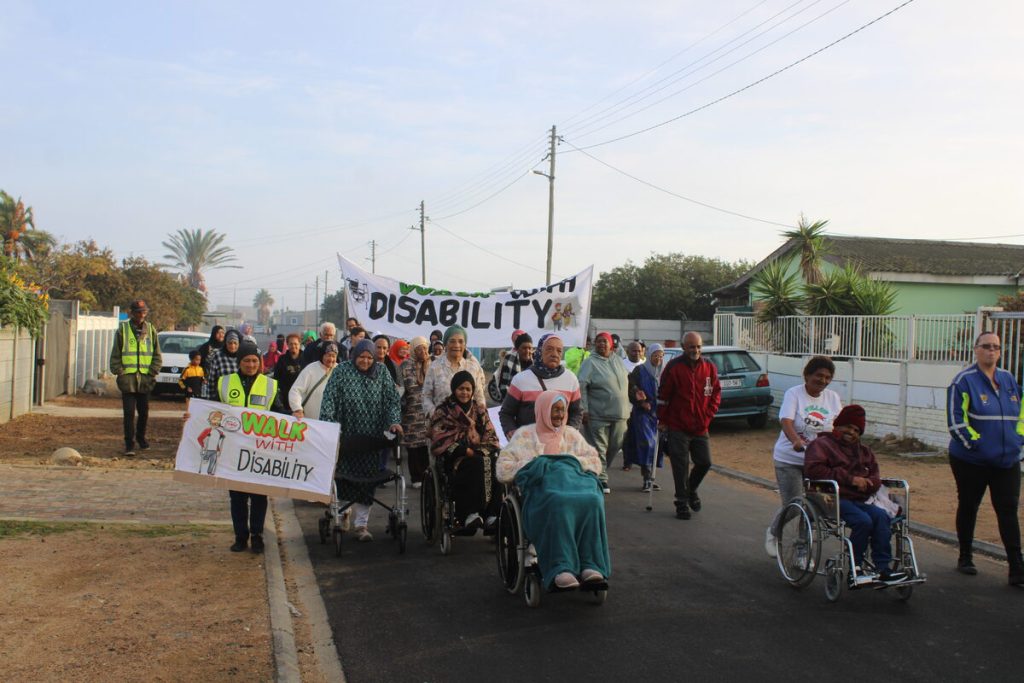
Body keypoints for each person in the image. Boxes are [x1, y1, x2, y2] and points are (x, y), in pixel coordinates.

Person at [497, 391, 610, 590]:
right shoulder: (524, 435)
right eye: (554, 410)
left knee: (593, 499)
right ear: (542, 410)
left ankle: (590, 564)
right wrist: (536, 464)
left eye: (562, 410)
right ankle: (561, 567)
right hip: (545, 492)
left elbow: (594, 461)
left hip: (574, 486)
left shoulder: (572, 435)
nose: (559, 415)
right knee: (558, 501)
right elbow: (503, 468)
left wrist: (570, 463)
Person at [947, 332, 1024, 584]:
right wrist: (976, 446)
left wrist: (1018, 441)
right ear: (976, 349)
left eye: (996, 347)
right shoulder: (963, 381)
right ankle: (965, 556)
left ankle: (1016, 567)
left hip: (1007, 461)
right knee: (969, 505)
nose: (992, 351)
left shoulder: (1009, 379)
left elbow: (1020, 416)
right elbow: (957, 422)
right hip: (972, 461)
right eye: (986, 346)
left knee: (1008, 510)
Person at [804, 405, 907, 583]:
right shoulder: (821, 444)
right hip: (832, 498)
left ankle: (883, 568)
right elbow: (814, 470)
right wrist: (851, 479)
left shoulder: (864, 451)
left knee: (882, 517)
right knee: (863, 521)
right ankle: (856, 568)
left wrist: (868, 483)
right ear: (837, 425)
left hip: (860, 499)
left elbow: (876, 476)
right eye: (848, 426)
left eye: (856, 430)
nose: (851, 432)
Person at [319, 339, 403, 542]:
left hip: (371, 440)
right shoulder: (341, 371)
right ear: (354, 355)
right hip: (345, 437)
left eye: (369, 357)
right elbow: (329, 398)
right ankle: (341, 515)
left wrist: (393, 422)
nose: (365, 361)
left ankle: (361, 525)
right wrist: (328, 425)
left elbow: (392, 400)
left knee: (367, 484)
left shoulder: (382, 372)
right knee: (343, 478)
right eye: (361, 357)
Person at [213, 341, 287, 554]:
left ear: (260, 362)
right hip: (232, 451)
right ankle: (240, 536)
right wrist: (192, 417)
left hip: (259, 452)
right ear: (239, 362)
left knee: (258, 496)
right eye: (246, 360)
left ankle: (257, 536)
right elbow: (210, 409)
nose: (251, 364)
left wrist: (295, 419)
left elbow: (279, 411)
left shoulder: (270, 385)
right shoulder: (224, 383)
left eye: (255, 361)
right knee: (237, 497)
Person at [765, 356, 842, 556]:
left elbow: (839, 428)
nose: (823, 381)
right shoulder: (795, 394)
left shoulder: (832, 398)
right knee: (795, 504)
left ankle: (802, 551)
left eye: (828, 377)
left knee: (812, 508)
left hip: (817, 462)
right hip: (790, 459)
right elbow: (786, 420)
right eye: (819, 375)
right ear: (807, 375)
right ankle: (773, 533)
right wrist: (795, 441)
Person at [657, 331, 720, 520]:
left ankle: (691, 489)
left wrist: (708, 416)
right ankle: (681, 502)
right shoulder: (674, 367)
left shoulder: (709, 366)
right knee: (680, 465)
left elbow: (716, 393)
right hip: (678, 425)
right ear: (684, 347)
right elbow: (663, 396)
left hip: (701, 426)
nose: (696, 350)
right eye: (692, 346)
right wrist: (663, 420)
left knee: (705, 462)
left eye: (699, 346)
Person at [430, 371, 502, 532]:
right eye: (461, 389)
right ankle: (471, 513)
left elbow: (491, 436)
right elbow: (438, 438)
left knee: (498, 465)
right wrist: (464, 450)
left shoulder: (479, 410)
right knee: (474, 464)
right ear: (454, 389)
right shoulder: (443, 411)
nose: (465, 393)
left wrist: (481, 451)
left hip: (479, 454)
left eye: (468, 389)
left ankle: (492, 515)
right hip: (455, 458)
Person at [499, 333, 583, 437]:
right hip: (528, 447)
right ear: (539, 351)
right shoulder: (521, 380)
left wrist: (569, 434)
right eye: (549, 349)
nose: (554, 354)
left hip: (559, 447)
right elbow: (506, 413)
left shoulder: (571, 379)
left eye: (559, 350)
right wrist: (513, 434)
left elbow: (576, 412)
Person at [578, 332, 630, 493]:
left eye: (605, 341)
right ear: (595, 344)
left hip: (621, 414)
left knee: (615, 445)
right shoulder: (589, 363)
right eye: (599, 341)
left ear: (611, 344)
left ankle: (595, 469)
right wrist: (583, 409)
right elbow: (581, 386)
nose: (602, 344)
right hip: (597, 414)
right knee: (599, 447)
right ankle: (601, 479)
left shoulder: (619, 361)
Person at [109, 299, 162, 456]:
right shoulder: (123, 329)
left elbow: (157, 354)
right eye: (139, 312)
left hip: (145, 380)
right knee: (129, 413)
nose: (141, 315)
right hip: (128, 381)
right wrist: (119, 371)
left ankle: (141, 438)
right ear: (132, 313)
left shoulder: (151, 330)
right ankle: (129, 444)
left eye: (144, 312)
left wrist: (153, 371)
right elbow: (115, 354)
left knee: (144, 412)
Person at [625, 343, 666, 491]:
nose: (658, 359)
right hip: (643, 414)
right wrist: (641, 401)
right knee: (647, 444)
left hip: (658, 414)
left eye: (661, 356)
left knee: (656, 447)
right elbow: (631, 387)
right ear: (649, 356)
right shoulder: (640, 370)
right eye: (655, 356)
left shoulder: (663, 372)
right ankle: (646, 478)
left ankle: (652, 477)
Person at [422, 325, 487, 416]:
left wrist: (480, 414)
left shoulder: (473, 367)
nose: (456, 345)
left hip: (469, 424)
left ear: (465, 345)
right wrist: (436, 416)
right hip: (441, 425)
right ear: (445, 344)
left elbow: (479, 396)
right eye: (452, 341)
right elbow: (426, 396)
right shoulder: (434, 367)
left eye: (461, 341)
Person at [400, 336, 433, 488]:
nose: (423, 351)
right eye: (419, 348)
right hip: (411, 413)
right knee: (413, 447)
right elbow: (401, 388)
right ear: (413, 350)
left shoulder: (432, 365)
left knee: (426, 446)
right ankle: (416, 478)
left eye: (425, 348)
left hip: (428, 414)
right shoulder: (406, 365)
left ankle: (427, 476)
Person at [288, 342, 339, 421]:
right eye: (328, 355)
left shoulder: (339, 370)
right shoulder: (311, 369)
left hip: (332, 423)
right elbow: (295, 390)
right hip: (311, 421)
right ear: (322, 355)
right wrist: (297, 409)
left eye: (334, 356)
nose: (331, 359)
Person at [204, 329, 241, 400]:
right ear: (225, 343)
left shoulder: (242, 357)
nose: (232, 346)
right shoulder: (218, 356)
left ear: (239, 344)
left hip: (238, 398)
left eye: (235, 343)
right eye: (230, 343)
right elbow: (211, 380)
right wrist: (209, 400)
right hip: (221, 398)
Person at [495, 332, 533, 402]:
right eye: (524, 348)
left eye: (530, 348)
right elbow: (503, 387)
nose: (528, 351)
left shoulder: (536, 362)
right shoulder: (509, 359)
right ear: (517, 349)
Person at [273, 333, 304, 398]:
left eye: (295, 344)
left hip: (302, 396)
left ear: (299, 344)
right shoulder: (282, 359)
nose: (293, 346)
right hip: (285, 396)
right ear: (287, 345)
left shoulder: (306, 358)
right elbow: (276, 377)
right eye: (291, 344)